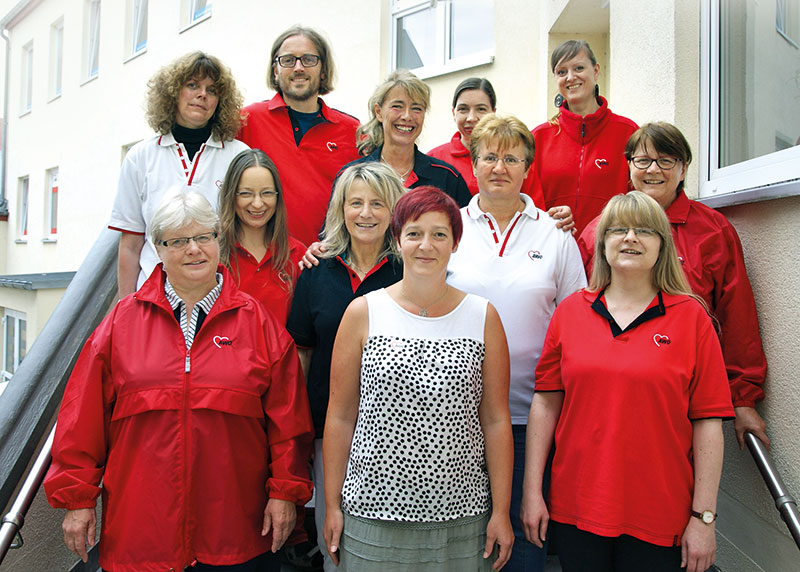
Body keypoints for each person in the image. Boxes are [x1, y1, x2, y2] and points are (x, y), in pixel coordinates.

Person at [45, 191, 314, 572]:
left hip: (237, 533)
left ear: (219, 241)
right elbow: (80, 420)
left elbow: (289, 424)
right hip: (142, 533)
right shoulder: (121, 324)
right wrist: (77, 500)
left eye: (204, 237)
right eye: (178, 241)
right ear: (158, 248)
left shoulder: (258, 324)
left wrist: (286, 492)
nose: (194, 250)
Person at [521, 191, 734, 572]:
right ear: (602, 243)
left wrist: (704, 519)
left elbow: (708, 424)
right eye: (618, 229)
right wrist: (532, 492)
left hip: (659, 514)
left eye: (644, 231)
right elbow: (546, 402)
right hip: (577, 507)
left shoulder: (692, 319)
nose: (630, 238)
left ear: (662, 246)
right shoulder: (571, 312)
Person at [323, 186, 514, 571]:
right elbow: (341, 416)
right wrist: (331, 505)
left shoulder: (483, 317)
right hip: (372, 516)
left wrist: (502, 511)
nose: (426, 245)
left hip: (461, 519)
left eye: (439, 234)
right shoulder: (363, 312)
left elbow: (494, 420)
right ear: (397, 239)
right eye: (414, 233)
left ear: (455, 243)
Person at [446, 113, 586, 572]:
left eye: (511, 157)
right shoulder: (449, 231)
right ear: (473, 162)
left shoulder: (555, 236)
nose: (499, 167)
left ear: (528, 166)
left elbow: (576, 324)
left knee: (524, 547)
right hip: (455, 419)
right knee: (465, 546)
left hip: (532, 420)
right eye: (489, 156)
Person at [577, 122, 769, 449]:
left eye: (666, 161)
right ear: (629, 166)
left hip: (686, 396)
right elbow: (578, 314)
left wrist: (743, 398)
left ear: (684, 169)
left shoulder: (713, 231)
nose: (653, 170)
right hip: (612, 390)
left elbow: (737, 318)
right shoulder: (599, 232)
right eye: (643, 160)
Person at [286, 162, 406, 572]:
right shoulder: (316, 271)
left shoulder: (409, 270)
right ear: (341, 209)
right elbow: (301, 355)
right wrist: (298, 432)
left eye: (378, 203)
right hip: (328, 431)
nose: (366, 213)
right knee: (332, 539)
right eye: (355, 203)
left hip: (398, 437)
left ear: (395, 210)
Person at [110, 51, 249, 298]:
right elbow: (130, 245)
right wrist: (125, 310)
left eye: (212, 90)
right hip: (154, 299)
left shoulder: (239, 156)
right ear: (173, 92)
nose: (202, 94)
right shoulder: (140, 156)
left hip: (219, 298)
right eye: (192, 85)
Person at [237, 26, 360, 246]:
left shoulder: (351, 130)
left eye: (308, 59)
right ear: (275, 70)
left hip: (327, 262)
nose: (298, 67)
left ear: (323, 70)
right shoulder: (247, 121)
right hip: (264, 263)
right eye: (288, 60)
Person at [529, 40, 638, 235]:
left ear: (595, 71)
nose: (570, 77)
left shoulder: (628, 133)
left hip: (609, 254)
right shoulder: (538, 138)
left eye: (579, 68)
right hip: (553, 251)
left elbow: (639, 199)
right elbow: (526, 201)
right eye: (562, 72)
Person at [344, 69, 472, 207]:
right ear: (379, 112)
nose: (407, 116)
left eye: (416, 108)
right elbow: (335, 227)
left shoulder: (446, 177)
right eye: (397, 106)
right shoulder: (352, 176)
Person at [218, 149, 304, 325]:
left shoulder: (297, 255)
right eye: (246, 193)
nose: (257, 203)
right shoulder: (214, 255)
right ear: (231, 196)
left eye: (266, 193)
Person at [428, 77, 497, 195]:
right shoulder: (433, 160)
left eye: (481, 109)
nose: (471, 118)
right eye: (463, 109)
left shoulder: (511, 157)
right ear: (453, 113)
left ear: (493, 112)